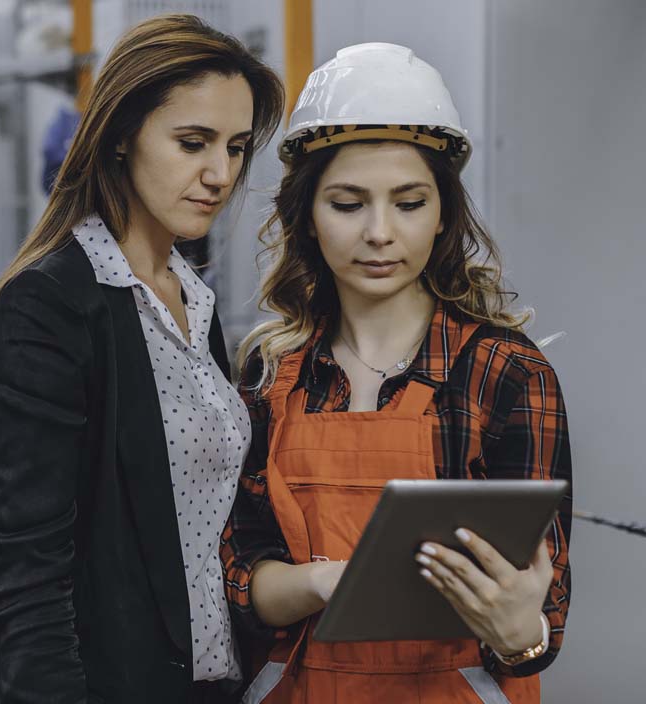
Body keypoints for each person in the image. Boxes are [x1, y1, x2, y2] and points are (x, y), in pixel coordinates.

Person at [222, 43, 571, 703]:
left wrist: (521, 627)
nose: (380, 233)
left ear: (443, 216)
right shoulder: (268, 373)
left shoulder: (506, 373)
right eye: (348, 204)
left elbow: (541, 628)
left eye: (408, 203)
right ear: (307, 219)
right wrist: (330, 583)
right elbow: (244, 579)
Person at [0, 15, 284, 704]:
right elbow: (29, 584)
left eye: (237, 147)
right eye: (193, 142)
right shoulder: (49, 308)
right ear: (122, 134)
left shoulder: (193, 301)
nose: (220, 173)